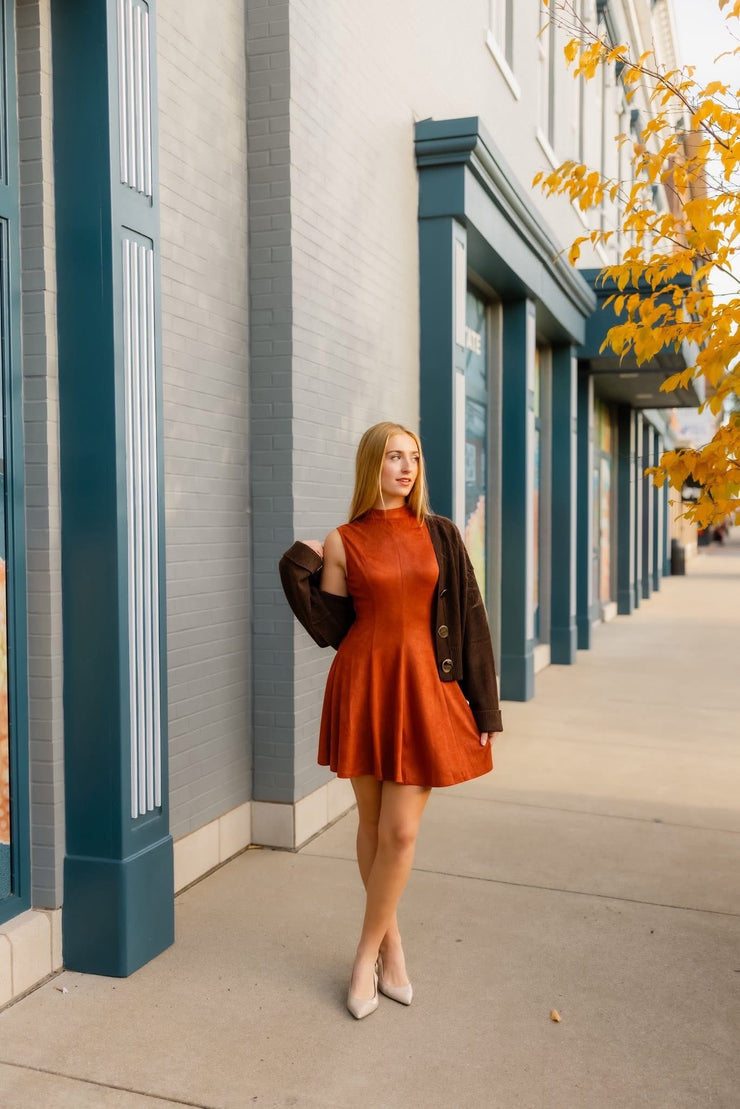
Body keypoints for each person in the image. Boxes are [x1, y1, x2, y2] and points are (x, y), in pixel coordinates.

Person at [279, 421, 503, 1020]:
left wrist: (485, 705)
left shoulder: (442, 535)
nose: (407, 468)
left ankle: (364, 954)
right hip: (363, 685)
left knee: (401, 834)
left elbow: (472, 621)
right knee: (375, 826)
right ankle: (394, 948)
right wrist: (298, 563)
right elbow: (331, 627)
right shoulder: (342, 540)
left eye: (414, 457)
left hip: (425, 688)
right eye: (394, 457)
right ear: (371, 466)